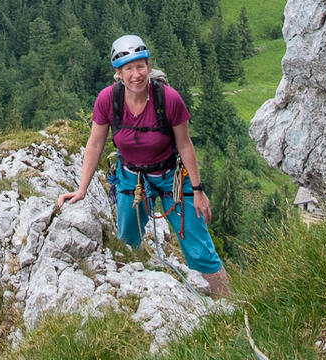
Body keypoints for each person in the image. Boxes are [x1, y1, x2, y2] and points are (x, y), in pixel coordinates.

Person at [56, 34, 230, 298]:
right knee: (127, 241)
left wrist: (197, 190)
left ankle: (227, 303)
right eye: (128, 68)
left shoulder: (168, 99)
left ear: (148, 67)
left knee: (199, 248)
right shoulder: (108, 100)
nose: (136, 74)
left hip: (172, 176)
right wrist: (81, 189)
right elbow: (94, 144)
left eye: (140, 66)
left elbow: (185, 145)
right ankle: (134, 295)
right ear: (119, 73)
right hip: (132, 179)